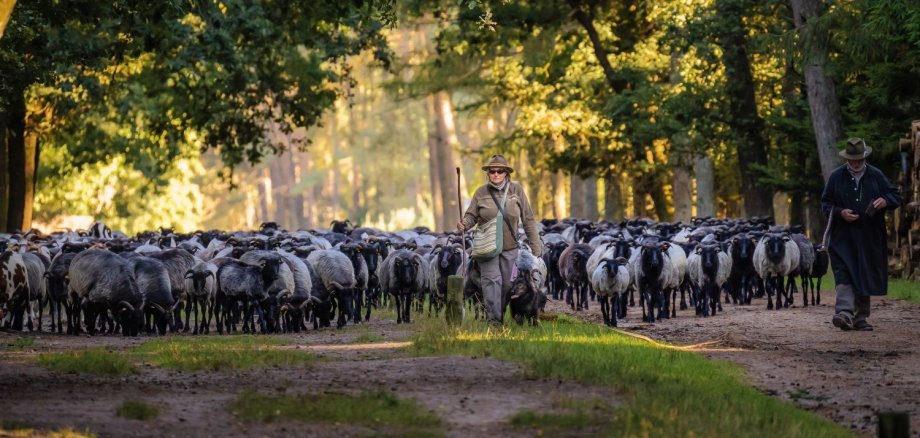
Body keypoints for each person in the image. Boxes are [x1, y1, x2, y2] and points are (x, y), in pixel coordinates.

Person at [820, 137, 900, 331]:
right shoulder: (836, 176)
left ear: (864, 157)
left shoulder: (876, 175)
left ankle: (860, 318)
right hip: (842, 236)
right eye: (852, 159)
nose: (856, 163)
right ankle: (844, 313)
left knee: (863, 272)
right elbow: (825, 203)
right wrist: (840, 213)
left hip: (869, 235)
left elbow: (895, 196)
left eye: (859, 159)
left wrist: (885, 201)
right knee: (844, 271)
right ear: (846, 159)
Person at [457, 154, 542, 324]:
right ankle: (494, 322)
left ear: (506, 173)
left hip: (510, 248)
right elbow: (471, 215)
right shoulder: (481, 192)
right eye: (492, 171)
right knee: (491, 283)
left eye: (499, 171)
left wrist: (536, 246)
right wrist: (465, 224)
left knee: (507, 286)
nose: (495, 174)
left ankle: (500, 314)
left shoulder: (516, 191)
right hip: (486, 248)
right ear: (488, 173)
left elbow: (528, 219)